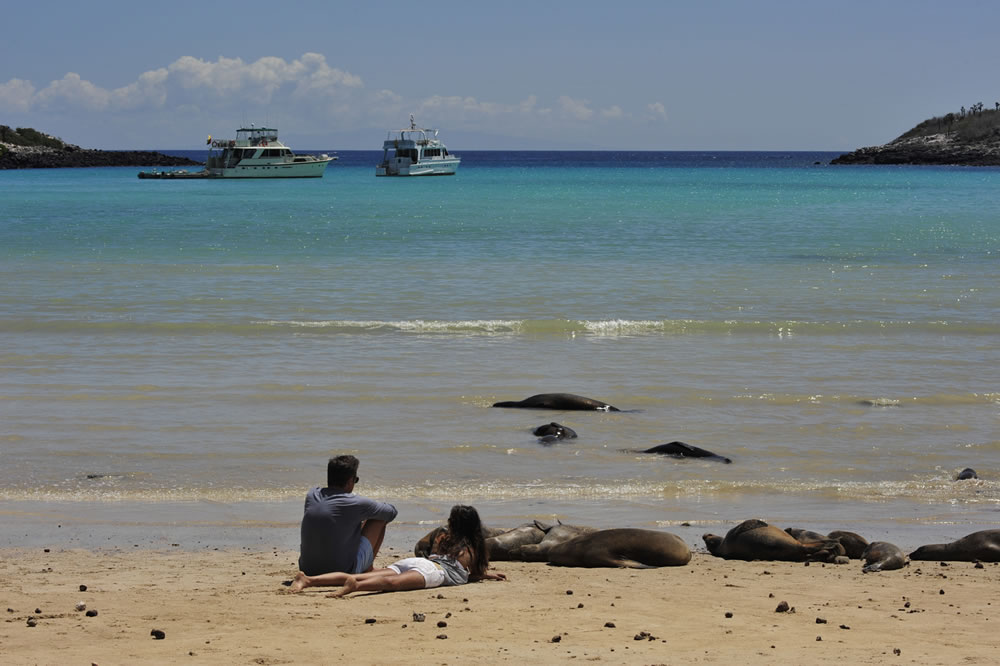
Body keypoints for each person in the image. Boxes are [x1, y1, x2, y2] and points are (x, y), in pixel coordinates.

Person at [290, 505, 506, 597]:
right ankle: (356, 587)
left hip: (415, 562)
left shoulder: (444, 537)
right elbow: (468, 574)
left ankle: (308, 580)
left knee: (360, 574)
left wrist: (485, 575)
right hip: (433, 571)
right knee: (392, 584)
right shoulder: (473, 546)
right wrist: (485, 575)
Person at [298, 455, 398, 576]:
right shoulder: (356, 503)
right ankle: (368, 568)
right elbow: (391, 512)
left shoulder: (312, 495)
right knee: (379, 518)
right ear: (350, 480)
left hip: (307, 569)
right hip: (343, 572)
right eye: (356, 480)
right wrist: (365, 510)